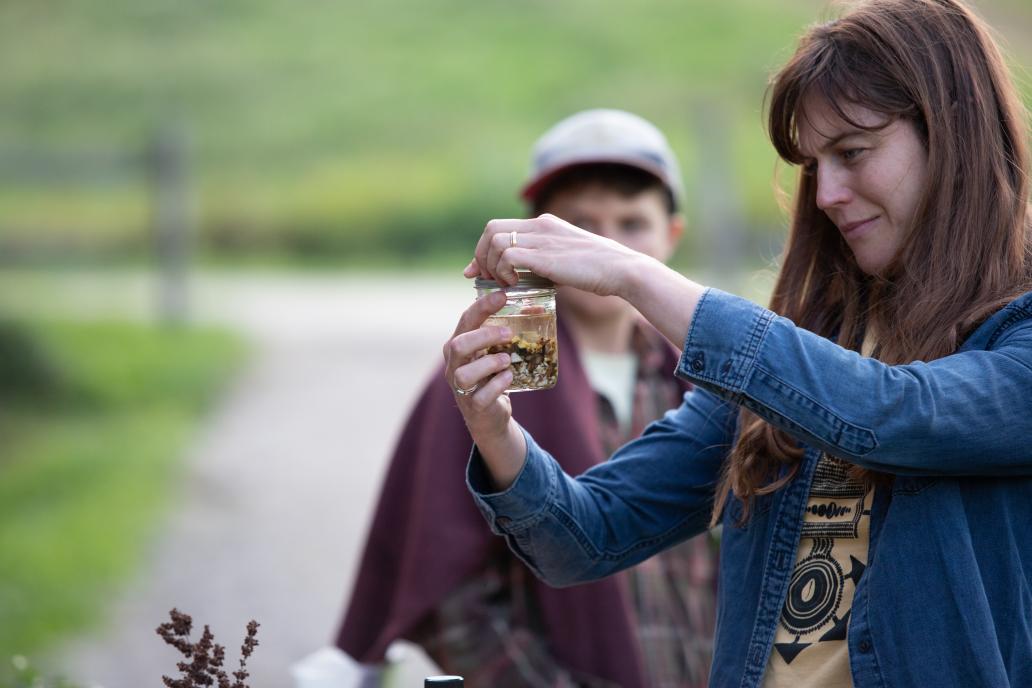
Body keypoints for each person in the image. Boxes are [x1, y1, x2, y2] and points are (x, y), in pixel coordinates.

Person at [445, 1, 1032, 686]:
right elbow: (585, 536)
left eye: (852, 152)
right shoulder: (800, 354)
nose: (826, 195)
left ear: (952, 135)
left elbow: (886, 414)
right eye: (814, 165)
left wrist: (634, 276)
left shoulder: (1014, 337)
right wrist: (495, 430)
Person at [337, 109, 718, 687]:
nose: (605, 245)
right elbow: (447, 597)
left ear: (672, 235)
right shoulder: (485, 379)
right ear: (535, 236)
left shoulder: (705, 381)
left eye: (631, 223)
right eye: (580, 224)